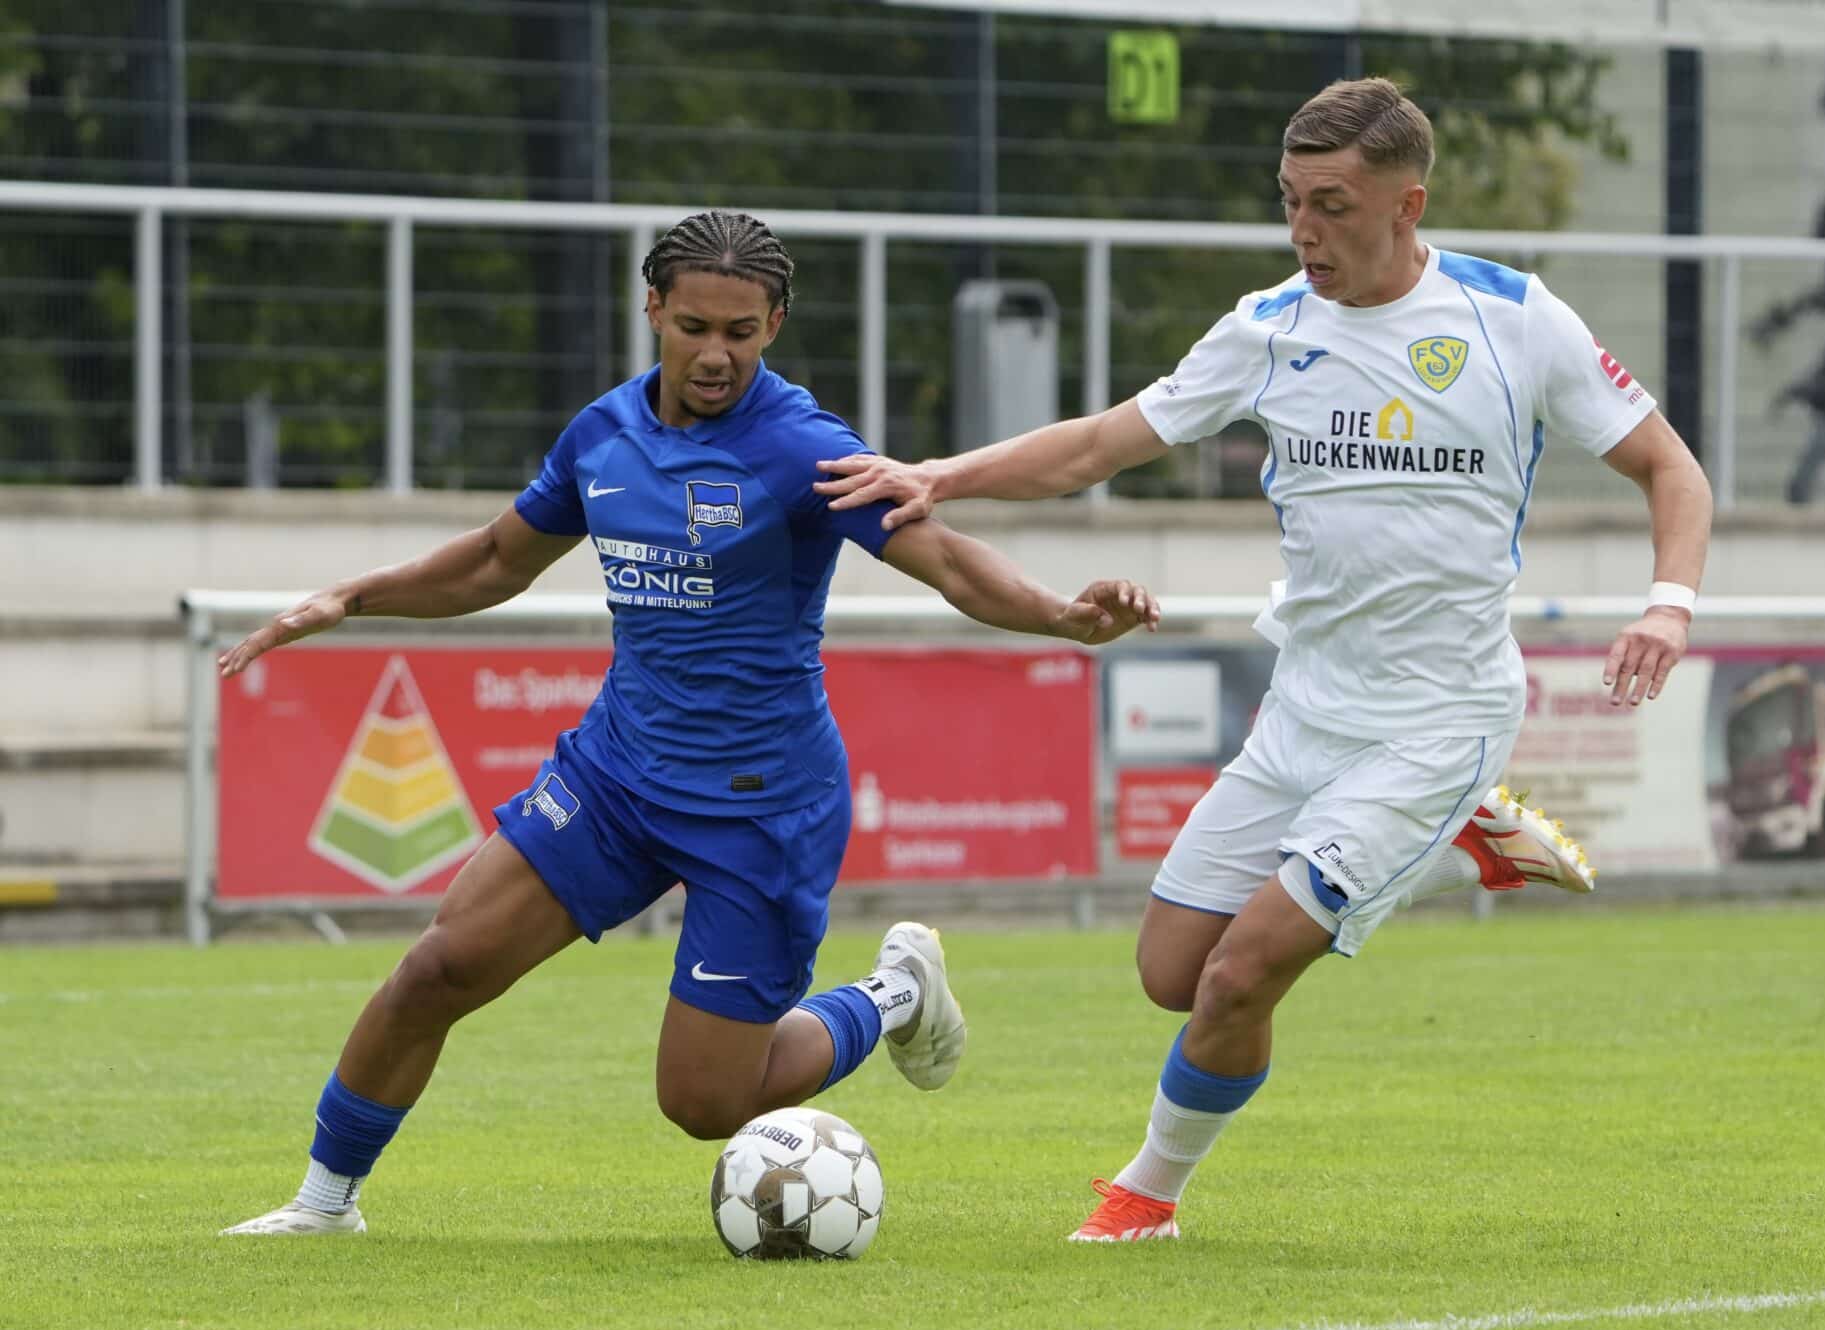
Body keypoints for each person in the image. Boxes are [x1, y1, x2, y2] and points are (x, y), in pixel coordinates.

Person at [814, 78, 1712, 1243]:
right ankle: (1463, 842)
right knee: (1171, 971)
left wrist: (1666, 607)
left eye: (1329, 205)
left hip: (1440, 717)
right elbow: (1095, 446)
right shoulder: (1269, 327)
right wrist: (936, 475)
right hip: (1305, 712)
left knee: (1243, 975)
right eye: (1289, 201)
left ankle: (1147, 1194)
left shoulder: (1512, 319)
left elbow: (1670, 469)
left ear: (1407, 202)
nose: (1303, 231)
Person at [217, 210, 1161, 1235]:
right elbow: (496, 560)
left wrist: (1062, 617)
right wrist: (350, 599)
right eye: (696, 327)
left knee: (703, 1102)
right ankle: (324, 1205)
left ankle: (891, 995)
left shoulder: (800, 447)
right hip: (616, 776)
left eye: (742, 333)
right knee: (437, 967)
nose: (716, 355)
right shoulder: (602, 435)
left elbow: (943, 557)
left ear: (775, 327)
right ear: (652, 307)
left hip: (758, 804)